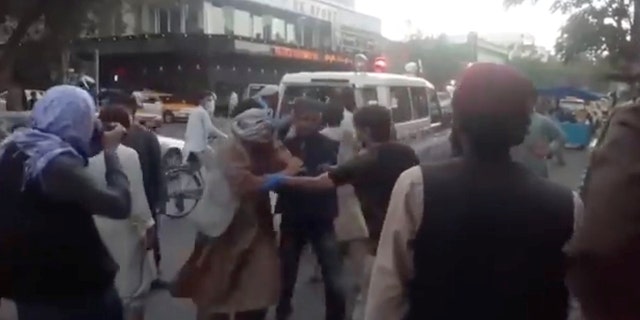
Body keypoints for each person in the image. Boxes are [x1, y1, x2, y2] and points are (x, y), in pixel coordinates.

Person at [365, 63, 581, 320]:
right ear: (524, 126)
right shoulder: (567, 204)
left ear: (457, 118)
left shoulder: (416, 186)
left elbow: (387, 292)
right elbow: (575, 300)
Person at [0, 85, 130, 320]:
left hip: (29, 290)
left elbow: (68, 157)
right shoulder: (56, 166)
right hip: (74, 296)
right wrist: (111, 152)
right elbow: (119, 205)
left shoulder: (16, 147)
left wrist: (96, 142)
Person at [279, 105, 419, 319]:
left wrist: (282, 178)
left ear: (366, 131)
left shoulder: (367, 158)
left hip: (380, 239)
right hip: (411, 235)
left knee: (372, 301)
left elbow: (322, 184)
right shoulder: (406, 152)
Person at [172, 107, 303, 320]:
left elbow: (284, 159)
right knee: (216, 287)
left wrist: (283, 156)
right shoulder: (229, 151)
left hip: (256, 227)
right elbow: (247, 184)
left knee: (258, 288)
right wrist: (286, 173)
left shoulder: (265, 145)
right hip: (224, 227)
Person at [274, 98, 346, 320]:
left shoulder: (330, 146)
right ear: (295, 118)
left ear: (321, 121)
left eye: (314, 120)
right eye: (304, 119)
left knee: (332, 271)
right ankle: (282, 310)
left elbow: (332, 177)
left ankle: (336, 316)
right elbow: (276, 182)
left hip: (321, 217)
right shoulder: (283, 145)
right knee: (286, 271)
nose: (309, 124)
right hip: (292, 215)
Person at [91, 105, 156, 320]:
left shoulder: (76, 152)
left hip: (90, 232)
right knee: (128, 292)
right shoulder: (127, 155)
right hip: (122, 230)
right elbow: (136, 201)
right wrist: (148, 228)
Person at [107, 93, 167, 289]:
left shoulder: (146, 137)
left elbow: (157, 169)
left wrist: (159, 200)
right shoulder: (99, 139)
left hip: (145, 195)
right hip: (115, 198)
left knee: (149, 237)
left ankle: (154, 273)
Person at [511, 106, 566, 177]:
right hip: (513, 172)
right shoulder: (507, 121)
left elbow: (561, 137)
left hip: (536, 171)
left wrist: (549, 149)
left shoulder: (542, 121)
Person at [183, 91, 228, 169]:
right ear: (201, 101)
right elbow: (210, 129)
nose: (210, 103)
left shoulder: (195, 111)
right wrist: (224, 136)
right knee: (214, 163)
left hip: (188, 147)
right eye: (208, 100)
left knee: (194, 172)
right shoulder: (202, 112)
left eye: (211, 100)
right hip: (197, 149)